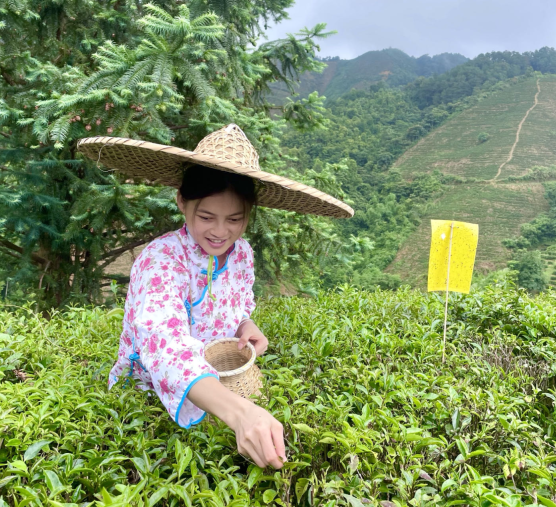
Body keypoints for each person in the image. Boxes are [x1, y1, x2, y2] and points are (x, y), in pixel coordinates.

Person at [77, 124, 353, 469]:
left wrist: (246, 325)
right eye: (206, 216)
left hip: (222, 385)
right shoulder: (162, 259)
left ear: (249, 214)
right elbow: (164, 344)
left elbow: (237, 303)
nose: (221, 232)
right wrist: (240, 414)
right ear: (182, 201)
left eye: (234, 219)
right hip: (152, 395)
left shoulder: (241, 254)